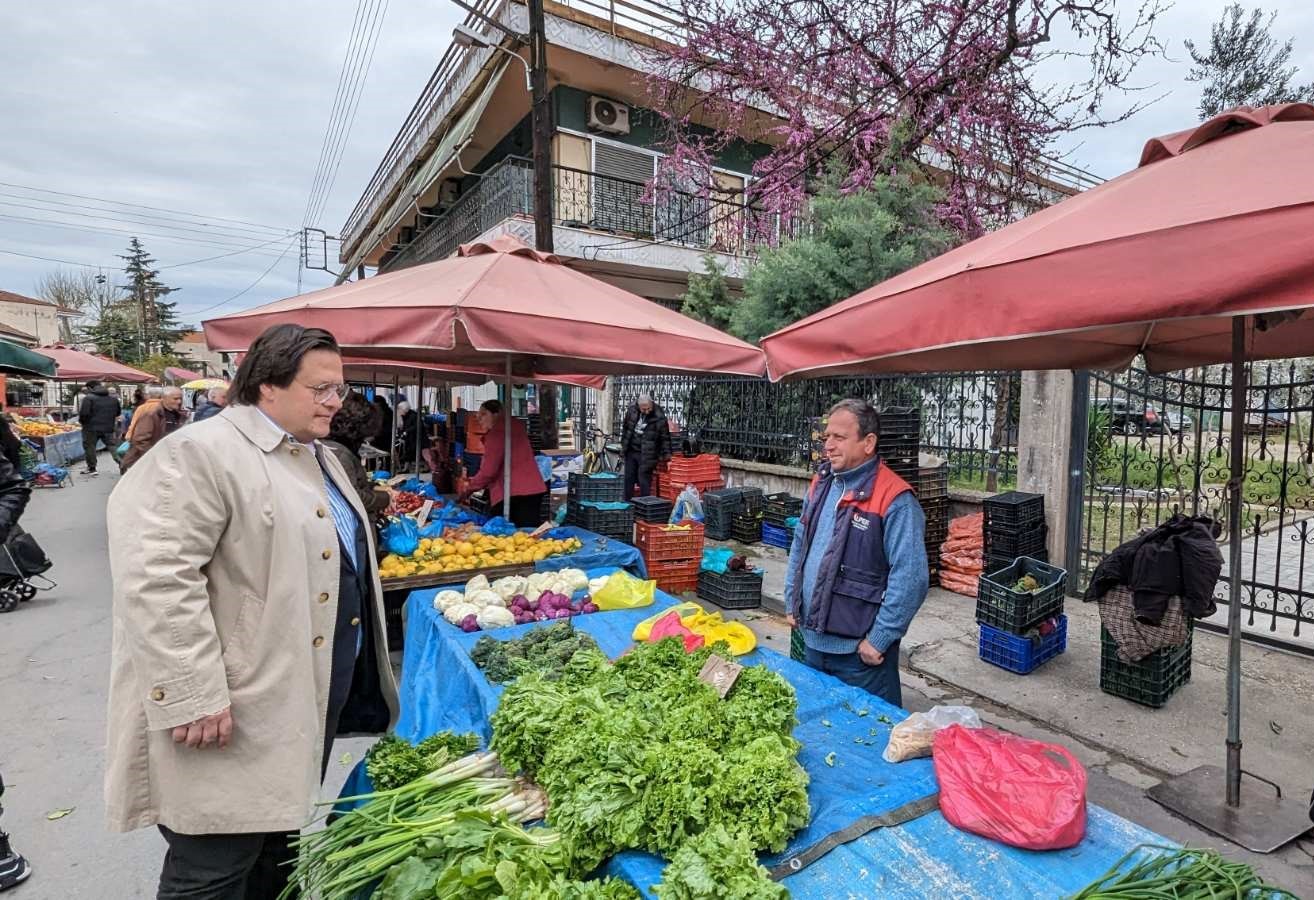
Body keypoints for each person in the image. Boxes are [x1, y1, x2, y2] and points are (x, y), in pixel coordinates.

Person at [105, 323, 398, 898]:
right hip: (232, 706)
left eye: (339, 389)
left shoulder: (316, 456)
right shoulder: (199, 453)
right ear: (267, 385)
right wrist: (191, 692)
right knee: (214, 867)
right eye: (321, 390)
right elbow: (157, 577)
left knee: (274, 849)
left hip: (295, 698)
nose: (337, 403)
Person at [782, 399, 928, 708]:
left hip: (860, 659)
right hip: (812, 642)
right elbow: (800, 542)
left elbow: (911, 579)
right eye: (827, 437)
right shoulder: (821, 484)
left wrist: (878, 639)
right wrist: (792, 597)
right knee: (816, 732)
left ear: (868, 443)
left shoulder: (895, 499)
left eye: (839, 437)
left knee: (866, 739)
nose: (829, 446)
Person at [459, 399, 545, 527]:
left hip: (513, 492)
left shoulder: (498, 433)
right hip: (532, 488)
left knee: (502, 533)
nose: (479, 418)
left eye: (483, 414)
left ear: (496, 414)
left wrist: (470, 488)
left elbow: (489, 471)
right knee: (528, 535)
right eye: (478, 415)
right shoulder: (514, 426)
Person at [323, 392, 393, 521]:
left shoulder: (337, 448)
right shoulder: (340, 454)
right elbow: (354, 496)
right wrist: (386, 498)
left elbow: (350, 484)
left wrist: (374, 487)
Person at [119, 386, 185, 473]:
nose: (179, 401)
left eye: (180, 398)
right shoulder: (151, 414)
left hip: (166, 460)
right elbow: (140, 440)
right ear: (164, 398)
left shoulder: (178, 415)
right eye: (175, 399)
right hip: (148, 462)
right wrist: (156, 456)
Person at [621, 393, 672, 500]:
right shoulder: (632, 410)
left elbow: (665, 437)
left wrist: (668, 457)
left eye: (649, 408)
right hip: (631, 451)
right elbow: (626, 428)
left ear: (652, 404)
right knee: (628, 478)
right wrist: (623, 446)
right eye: (644, 409)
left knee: (644, 479)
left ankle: (645, 505)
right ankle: (627, 504)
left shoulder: (659, 415)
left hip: (648, 453)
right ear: (639, 406)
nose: (647, 411)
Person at [78, 380, 122, 476]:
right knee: (112, 446)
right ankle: (122, 463)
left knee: (90, 447)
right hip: (108, 427)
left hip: (90, 428)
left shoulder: (88, 399)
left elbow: (84, 414)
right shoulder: (113, 399)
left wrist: (83, 422)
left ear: (90, 388)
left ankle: (92, 468)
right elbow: (118, 413)